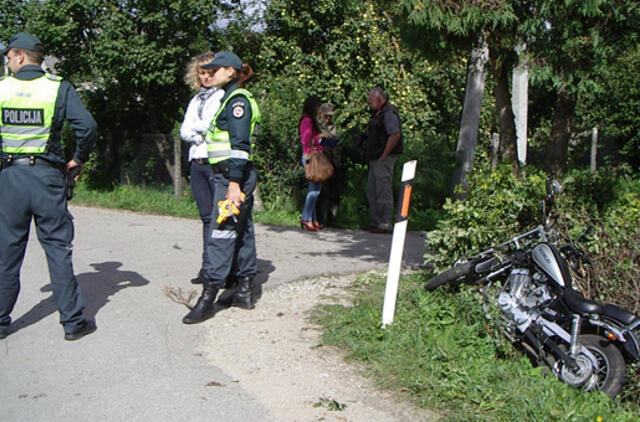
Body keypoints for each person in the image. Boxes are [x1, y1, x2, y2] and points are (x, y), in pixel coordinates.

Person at [0, 32, 98, 340]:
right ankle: (72, 323)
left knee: (7, 252)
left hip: (10, 179)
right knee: (57, 248)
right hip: (48, 177)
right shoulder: (58, 88)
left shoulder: (1, 88)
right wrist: (78, 159)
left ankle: (1, 322)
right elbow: (88, 126)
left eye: (8, 57)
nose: (7, 62)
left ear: (19, 56)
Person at [182, 51, 261, 324]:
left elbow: (240, 148)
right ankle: (245, 290)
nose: (209, 74)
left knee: (222, 234)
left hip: (230, 177)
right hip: (229, 176)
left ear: (231, 71)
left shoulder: (237, 101)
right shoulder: (229, 98)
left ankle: (208, 298)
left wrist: (234, 184)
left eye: (216, 70)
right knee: (242, 231)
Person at [180, 51, 225, 285]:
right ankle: (207, 266)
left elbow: (212, 125)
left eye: (210, 72)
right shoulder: (196, 100)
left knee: (221, 218)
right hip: (196, 163)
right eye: (202, 73)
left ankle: (222, 267)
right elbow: (184, 131)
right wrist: (199, 133)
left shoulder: (222, 97)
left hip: (214, 163)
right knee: (206, 218)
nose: (206, 77)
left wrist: (197, 131)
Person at [364, 87, 403, 234]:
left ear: (379, 99)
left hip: (383, 158)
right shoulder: (378, 114)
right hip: (375, 157)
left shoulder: (389, 113)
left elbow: (395, 135)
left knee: (383, 190)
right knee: (372, 190)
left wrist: (384, 155)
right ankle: (376, 221)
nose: (369, 103)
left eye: (371, 100)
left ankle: (385, 223)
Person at [299, 95, 330, 232]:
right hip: (310, 157)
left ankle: (313, 218)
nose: (319, 108)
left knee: (316, 189)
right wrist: (321, 137)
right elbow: (306, 141)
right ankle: (306, 218)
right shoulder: (307, 121)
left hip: (316, 156)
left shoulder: (312, 121)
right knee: (313, 191)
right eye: (317, 106)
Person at [315, 102, 341, 228]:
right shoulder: (317, 125)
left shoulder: (332, 126)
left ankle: (332, 219)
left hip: (333, 161)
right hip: (321, 161)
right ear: (321, 113)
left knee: (334, 192)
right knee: (320, 192)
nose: (328, 118)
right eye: (326, 115)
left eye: (330, 116)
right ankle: (319, 219)